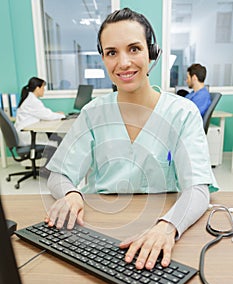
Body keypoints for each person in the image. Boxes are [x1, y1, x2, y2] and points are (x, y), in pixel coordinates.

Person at [45, 8, 218, 270]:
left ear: (152, 53)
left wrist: (168, 226)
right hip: (100, 227)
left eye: (134, 49)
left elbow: (198, 189)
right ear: (103, 59)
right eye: (112, 52)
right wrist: (70, 194)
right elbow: (59, 174)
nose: (123, 63)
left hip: (162, 221)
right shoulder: (93, 113)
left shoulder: (182, 113)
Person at [15, 77, 65, 146]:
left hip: (26, 133)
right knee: (56, 142)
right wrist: (63, 116)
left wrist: (56, 114)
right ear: (37, 88)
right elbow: (47, 116)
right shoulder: (32, 101)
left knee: (56, 138)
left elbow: (43, 113)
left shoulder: (29, 98)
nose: (44, 90)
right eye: (43, 88)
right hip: (27, 136)